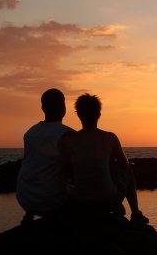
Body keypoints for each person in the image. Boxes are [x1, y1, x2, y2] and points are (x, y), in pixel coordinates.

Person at [62, 93, 149, 224]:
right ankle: (136, 213)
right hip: (107, 200)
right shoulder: (110, 138)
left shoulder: (68, 139)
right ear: (99, 114)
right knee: (128, 170)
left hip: (80, 201)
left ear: (78, 114)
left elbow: (66, 170)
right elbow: (124, 166)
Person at [16, 88, 74, 225]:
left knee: (42, 171)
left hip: (25, 198)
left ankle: (29, 216)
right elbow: (74, 170)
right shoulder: (68, 134)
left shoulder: (30, 133)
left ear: (42, 107)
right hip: (52, 201)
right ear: (63, 107)